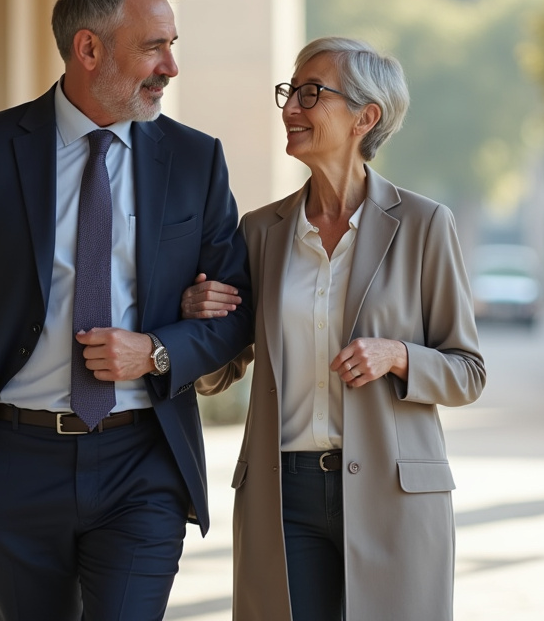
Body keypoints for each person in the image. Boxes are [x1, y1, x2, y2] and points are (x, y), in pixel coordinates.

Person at [0, 0, 253, 621]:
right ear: (89, 49)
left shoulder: (195, 161)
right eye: (155, 47)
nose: (170, 67)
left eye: (172, 46)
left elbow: (237, 315)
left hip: (141, 461)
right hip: (10, 462)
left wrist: (155, 350)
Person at [183, 36, 486, 621]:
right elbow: (219, 372)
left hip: (394, 494)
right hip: (282, 494)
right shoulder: (260, 232)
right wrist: (197, 321)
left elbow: (468, 373)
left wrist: (397, 354)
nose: (290, 108)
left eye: (311, 93)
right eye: (290, 91)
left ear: (364, 117)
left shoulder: (425, 225)